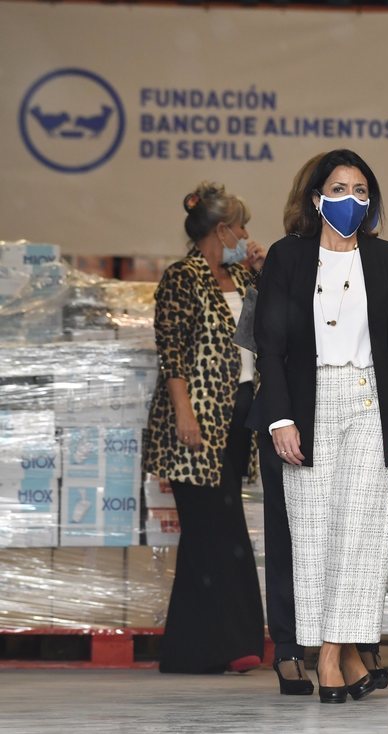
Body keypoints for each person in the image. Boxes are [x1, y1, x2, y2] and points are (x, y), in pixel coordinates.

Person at [254, 149, 388, 704]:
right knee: (314, 535)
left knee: (364, 537)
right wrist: (280, 417)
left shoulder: (386, 258)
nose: (350, 199)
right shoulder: (287, 257)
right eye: (339, 188)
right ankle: (340, 652)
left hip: (370, 401)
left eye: (359, 190)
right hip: (307, 404)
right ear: (316, 197)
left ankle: (331, 653)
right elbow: (270, 349)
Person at [144, 182, 267, 674]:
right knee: (216, 528)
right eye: (241, 226)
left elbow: (280, 323)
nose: (245, 234)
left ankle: (190, 650)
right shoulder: (182, 278)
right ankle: (233, 641)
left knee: (206, 534)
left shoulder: (242, 276)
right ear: (221, 229)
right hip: (196, 418)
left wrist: (263, 271)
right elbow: (171, 351)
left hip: (237, 415)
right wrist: (184, 413)